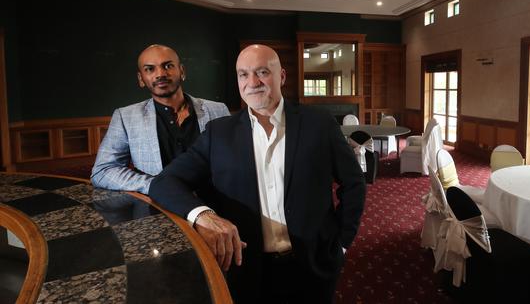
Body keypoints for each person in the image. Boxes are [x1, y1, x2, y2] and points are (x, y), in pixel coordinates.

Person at [149, 44, 366, 303]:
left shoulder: (319, 124)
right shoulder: (219, 133)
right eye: (243, 74)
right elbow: (164, 182)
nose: (252, 82)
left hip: (313, 264)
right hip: (246, 269)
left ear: (281, 76)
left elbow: (353, 183)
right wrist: (203, 216)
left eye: (262, 72)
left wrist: (341, 243)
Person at [91, 44, 230, 194]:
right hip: (162, 208)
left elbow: (234, 160)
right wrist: (155, 185)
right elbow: (102, 171)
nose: (160, 74)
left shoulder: (218, 109)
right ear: (141, 79)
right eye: (150, 69)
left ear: (182, 71)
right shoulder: (125, 117)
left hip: (217, 202)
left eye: (168, 66)